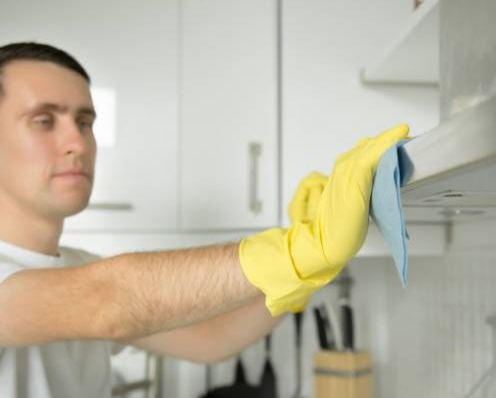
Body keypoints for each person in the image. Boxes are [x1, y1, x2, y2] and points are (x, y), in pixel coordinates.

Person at [0, 42, 409, 397]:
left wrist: (305, 273)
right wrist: (296, 252)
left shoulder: (78, 267)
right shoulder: (89, 288)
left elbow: (210, 340)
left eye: (84, 122)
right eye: (44, 121)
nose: (77, 142)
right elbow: (110, 300)